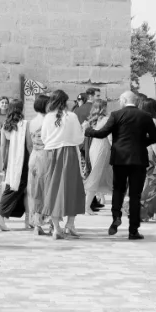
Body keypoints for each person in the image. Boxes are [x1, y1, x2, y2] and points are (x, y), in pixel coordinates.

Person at [83, 90, 156, 240]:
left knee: (118, 190)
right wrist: (140, 143)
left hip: (120, 159)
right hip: (139, 159)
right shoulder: (145, 116)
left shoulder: (116, 115)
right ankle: (133, 230)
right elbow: (154, 138)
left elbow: (103, 133)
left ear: (123, 100)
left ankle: (116, 217)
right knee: (135, 195)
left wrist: (88, 131)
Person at [35, 90, 88, 238]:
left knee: (52, 189)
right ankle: (70, 224)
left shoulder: (47, 118)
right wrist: (83, 129)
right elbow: (78, 139)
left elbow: (44, 138)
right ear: (65, 102)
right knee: (72, 188)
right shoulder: (72, 116)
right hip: (68, 154)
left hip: (50, 154)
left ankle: (56, 227)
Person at [0, 98, 33, 232]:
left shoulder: (6, 124)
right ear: (21, 109)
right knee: (15, 188)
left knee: (14, 185)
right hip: (22, 159)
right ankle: (2, 217)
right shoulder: (25, 124)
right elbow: (29, 144)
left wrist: (4, 161)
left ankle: (28, 219)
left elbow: (2, 145)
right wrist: (33, 158)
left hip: (10, 158)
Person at [82, 99, 114, 213]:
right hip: (103, 148)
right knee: (102, 176)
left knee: (97, 174)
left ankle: (88, 205)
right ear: (103, 108)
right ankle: (86, 206)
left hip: (94, 148)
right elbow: (110, 137)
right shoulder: (106, 119)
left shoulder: (90, 121)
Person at [27, 94, 52, 235]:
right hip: (46, 156)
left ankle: (36, 223)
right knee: (47, 190)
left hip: (34, 156)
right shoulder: (48, 121)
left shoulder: (31, 122)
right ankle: (48, 221)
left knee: (34, 190)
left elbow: (29, 144)